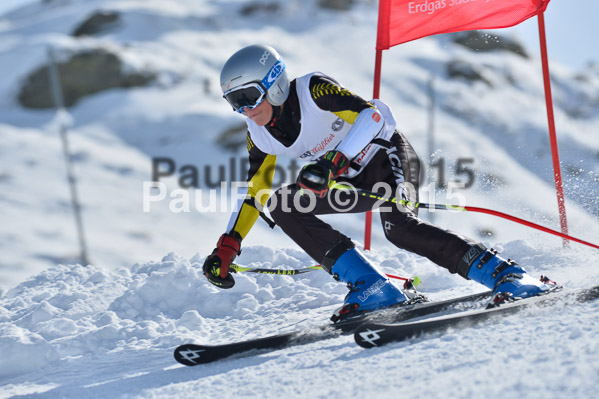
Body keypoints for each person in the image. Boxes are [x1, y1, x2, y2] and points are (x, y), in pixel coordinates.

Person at [203, 44, 556, 320]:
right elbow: (256, 190)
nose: (245, 109)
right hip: (348, 181)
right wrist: (229, 243)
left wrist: (331, 161)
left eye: (248, 97)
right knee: (282, 204)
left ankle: (509, 274)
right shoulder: (259, 134)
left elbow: (372, 116)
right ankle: (373, 287)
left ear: (274, 83)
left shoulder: (312, 91)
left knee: (399, 228)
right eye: (234, 102)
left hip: (389, 157)